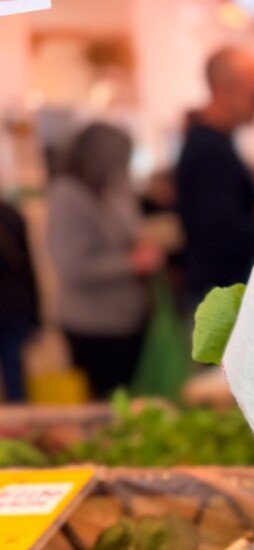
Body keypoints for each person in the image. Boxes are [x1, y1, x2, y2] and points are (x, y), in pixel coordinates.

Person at [47, 123, 162, 398]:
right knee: (108, 402)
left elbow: (128, 231)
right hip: (93, 324)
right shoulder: (68, 194)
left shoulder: (113, 189)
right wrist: (131, 263)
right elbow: (71, 266)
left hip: (128, 317)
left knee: (133, 397)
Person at [175, 47, 254, 312]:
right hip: (218, 295)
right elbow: (223, 233)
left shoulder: (212, 141)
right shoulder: (208, 149)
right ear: (224, 91)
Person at [0, 198, 39, 401]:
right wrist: (35, 316)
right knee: (14, 373)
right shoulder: (11, 215)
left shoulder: (11, 216)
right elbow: (28, 270)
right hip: (16, 306)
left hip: (13, 308)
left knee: (14, 371)